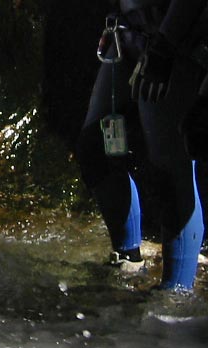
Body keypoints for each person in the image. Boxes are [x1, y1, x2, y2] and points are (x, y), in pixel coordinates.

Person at [76, 0, 206, 290]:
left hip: (174, 42)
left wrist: (165, 47)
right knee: (94, 148)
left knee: (170, 172)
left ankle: (175, 294)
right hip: (129, 31)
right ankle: (127, 259)